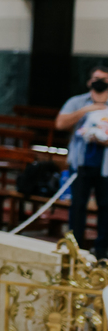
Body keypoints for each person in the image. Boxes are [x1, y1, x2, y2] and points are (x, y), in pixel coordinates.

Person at [56, 66, 108, 257]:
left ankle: (102, 251)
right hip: (81, 163)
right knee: (78, 206)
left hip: (105, 166)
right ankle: (75, 249)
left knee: (106, 207)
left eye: (104, 79)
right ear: (89, 81)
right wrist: (88, 109)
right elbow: (60, 124)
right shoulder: (77, 102)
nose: (99, 82)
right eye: (96, 78)